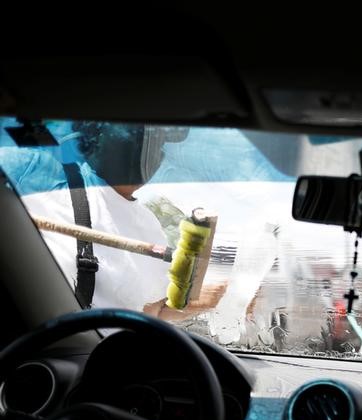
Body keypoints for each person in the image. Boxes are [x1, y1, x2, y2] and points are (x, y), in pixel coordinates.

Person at [0, 120, 225, 320]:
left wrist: (202, 303)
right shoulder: (37, 171)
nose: (150, 149)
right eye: (136, 133)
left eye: (158, 142)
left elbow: (150, 311)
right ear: (94, 136)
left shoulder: (151, 229)